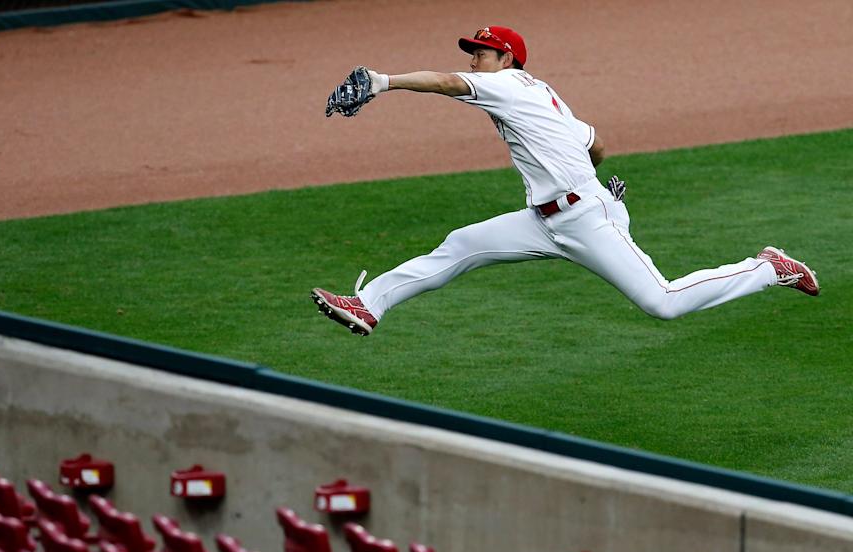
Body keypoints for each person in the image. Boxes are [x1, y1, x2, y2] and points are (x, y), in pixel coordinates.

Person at [311, 25, 819, 336]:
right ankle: (368, 303)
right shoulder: (542, 94)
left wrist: (384, 81)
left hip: (583, 219)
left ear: (508, 59)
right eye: (474, 52)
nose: (473, 60)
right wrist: (589, 182)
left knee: (662, 302)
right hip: (546, 220)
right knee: (460, 245)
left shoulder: (506, 85)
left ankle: (770, 268)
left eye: (482, 52)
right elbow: (594, 143)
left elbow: (445, 83)